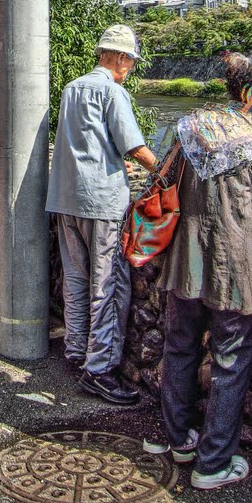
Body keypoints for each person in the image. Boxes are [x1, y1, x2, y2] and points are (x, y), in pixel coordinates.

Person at [148, 52, 252, 490]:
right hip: (236, 260)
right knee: (230, 357)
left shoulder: (190, 126)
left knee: (181, 345)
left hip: (187, 253)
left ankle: (179, 439)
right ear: (249, 93)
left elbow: (162, 180)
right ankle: (214, 462)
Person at [46, 24, 161, 405]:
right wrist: (163, 170)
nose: (129, 68)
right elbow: (133, 145)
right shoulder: (113, 92)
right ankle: (100, 371)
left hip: (65, 196)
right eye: (130, 60)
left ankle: (76, 352)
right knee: (108, 286)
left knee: (75, 280)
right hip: (101, 202)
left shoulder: (71, 89)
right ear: (120, 58)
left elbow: (81, 142)